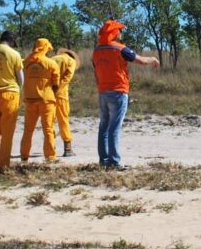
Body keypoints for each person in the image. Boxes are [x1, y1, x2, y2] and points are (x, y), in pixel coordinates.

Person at [92, 20, 160, 170]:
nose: (121, 33)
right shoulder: (120, 48)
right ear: (115, 33)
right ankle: (114, 162)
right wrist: (153, 59)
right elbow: (141, 61)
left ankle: (104, 160)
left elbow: (96, 71)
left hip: (103, 91)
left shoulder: (96, 51)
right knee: (114, 127)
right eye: (119, 31)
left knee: (103, 126)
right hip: (118, 91)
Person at [0, 31, 24, 173]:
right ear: (12, 41)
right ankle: (3, 167)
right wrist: (20, 90)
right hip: (10, 94)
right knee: (7, 134)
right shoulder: (14, 54)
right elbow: (20, 77)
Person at [21, 38, 60, 163]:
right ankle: (50, 156)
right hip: (46, 100)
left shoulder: (24, 63)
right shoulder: (51, 63)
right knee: (48, 129)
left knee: (28, 130)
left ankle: (24, 156)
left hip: (29, 100)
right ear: (46, 47)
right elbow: (56, 84)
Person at [51, 48, 79, 157]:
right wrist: (58, 89)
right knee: (63, 120)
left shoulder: (52, 59)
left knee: (49, 121)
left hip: (48, 93)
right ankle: (68, 149)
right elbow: (67, 77)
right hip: (61, 95)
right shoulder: (71, 61)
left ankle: (50, 148)